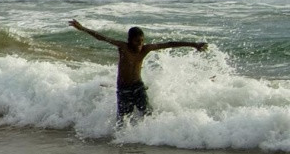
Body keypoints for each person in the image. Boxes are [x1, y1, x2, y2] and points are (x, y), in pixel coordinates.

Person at [68, 20, 207, 124]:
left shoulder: (145, 49)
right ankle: (128, 144)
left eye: (141, 41)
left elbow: (170, 44)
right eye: (136, 41)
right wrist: (82, 28)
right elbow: (102, 37)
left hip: (138, 87)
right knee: (122, 120)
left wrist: (194, 45)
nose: (140, 44)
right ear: (129, 41)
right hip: (123, 89)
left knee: (147, 113)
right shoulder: (123, 47)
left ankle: (149, 137)